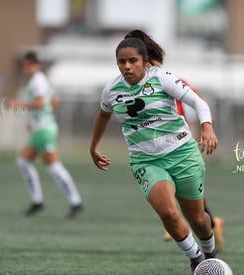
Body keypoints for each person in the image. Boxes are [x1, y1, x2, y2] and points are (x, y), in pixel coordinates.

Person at [89, 36, 219, 273]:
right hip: (146, 161)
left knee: (199, 220)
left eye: (132, 61)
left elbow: (198, 102)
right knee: (168, 213)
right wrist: (93, 147)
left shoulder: (162, 78)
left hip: (182, 154)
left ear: (145, 61)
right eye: (121, 62)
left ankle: (211, 252)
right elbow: (103, 115)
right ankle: (197, 261)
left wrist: (207, 126)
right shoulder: (111, 89)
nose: (126, 66)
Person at [123, 29, 225, 252]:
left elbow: (199, 102)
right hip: (154, 151)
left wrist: (206, 126)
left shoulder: (167, 78)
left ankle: (209, 225)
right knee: (180, 202)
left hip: (179, 146)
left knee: (193, 207)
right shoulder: (130, 85)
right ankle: (196, 226)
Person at [6, 51, 83, 218]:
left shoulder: (37, 82)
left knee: (53, 166)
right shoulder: (41, 80)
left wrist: (16, 105)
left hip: (44, 131)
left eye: (29, 65)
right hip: (41, 129)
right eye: (25, 66)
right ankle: (38, 201)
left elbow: (41, 103)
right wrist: (36, 120)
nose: (26, 69)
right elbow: (54, 102)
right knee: (23, 161)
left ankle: (75, 201)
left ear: (37, 65)